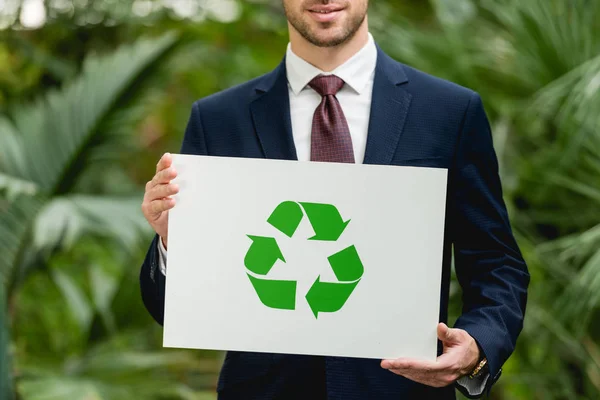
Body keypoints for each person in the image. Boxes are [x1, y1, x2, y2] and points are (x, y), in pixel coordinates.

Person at [139, 0, 529, 398]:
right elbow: (175, 307)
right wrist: (174, 242)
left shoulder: (449, 112)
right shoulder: (219, 120)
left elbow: (495, 263)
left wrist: (477, 347)